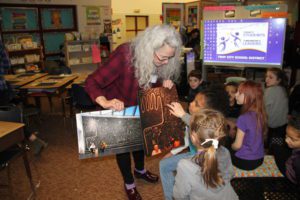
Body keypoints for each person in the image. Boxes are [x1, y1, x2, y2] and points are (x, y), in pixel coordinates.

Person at [85, 24, 182, 200]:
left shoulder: (159, 59)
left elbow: (152, 80)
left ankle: (140, 170)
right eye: (162, 58)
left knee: (140, 142)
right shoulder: (124, 54)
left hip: (141, 107)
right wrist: (104, 102)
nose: (166, 62)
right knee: (122, 148)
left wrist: (164, 83)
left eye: (170, 58)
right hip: (118, 107)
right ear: (149, 49)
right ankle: (129, 183)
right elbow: (92, 82)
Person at [160, 88, 229, 200]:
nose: (191, 103)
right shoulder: (225, 152)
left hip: (199, 160)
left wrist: (183, 115)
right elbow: (188, 138)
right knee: (164, 165)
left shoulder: (195, 123)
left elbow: (179, 195)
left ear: (206, 113)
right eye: (193, 100)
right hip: (195, 156)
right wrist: (173, 152)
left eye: (196, 103)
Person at [173, 109, 238, 200]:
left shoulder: (185, 166)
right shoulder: (225, 152)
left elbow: (179, 196)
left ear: (193, 137)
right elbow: (231, 174)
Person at [231, 80, 267, 170]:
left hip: (245, 161)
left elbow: (237, 146)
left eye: (239, 92)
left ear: (248, 97)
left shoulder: (243, 118)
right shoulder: (261, 114)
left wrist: (231, 146)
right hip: (259, 159)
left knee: (224, 149)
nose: (235, 95)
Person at [264, 68, 289, 149]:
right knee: (276, 149)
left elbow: (262, 108)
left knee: (268, 149)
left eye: (270, 77)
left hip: (271, 128)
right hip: (282, 127)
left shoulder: (270, 90)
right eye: (266, 76)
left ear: (278, 80)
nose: (267, 79)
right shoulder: (283, 89)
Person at [273, 115, 300, 186]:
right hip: (292, 157)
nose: (286, 140)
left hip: (291, 176)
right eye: (286, 136)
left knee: (276, 149)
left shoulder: (298, 161)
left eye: (292, 139)